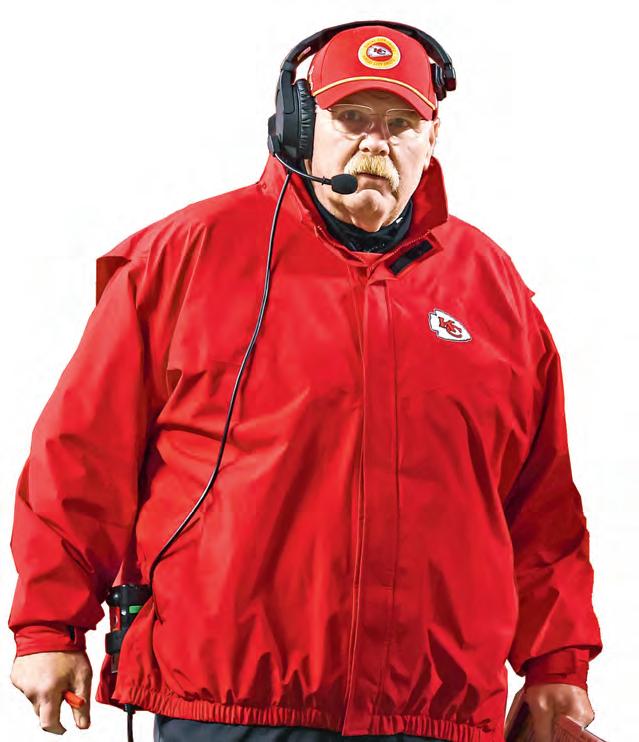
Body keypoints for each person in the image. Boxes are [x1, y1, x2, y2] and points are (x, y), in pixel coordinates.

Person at [8, 21, 602, 742]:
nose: (376, 143)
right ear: (298, 126)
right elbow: (82, 453)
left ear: (432, 137)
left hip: (435, 712)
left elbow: (541, 507)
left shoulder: (494, 292)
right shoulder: (183, 259)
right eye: (351, 117)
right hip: (227, 706)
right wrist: (50, 626)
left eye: (400, 123)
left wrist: (557, 665)